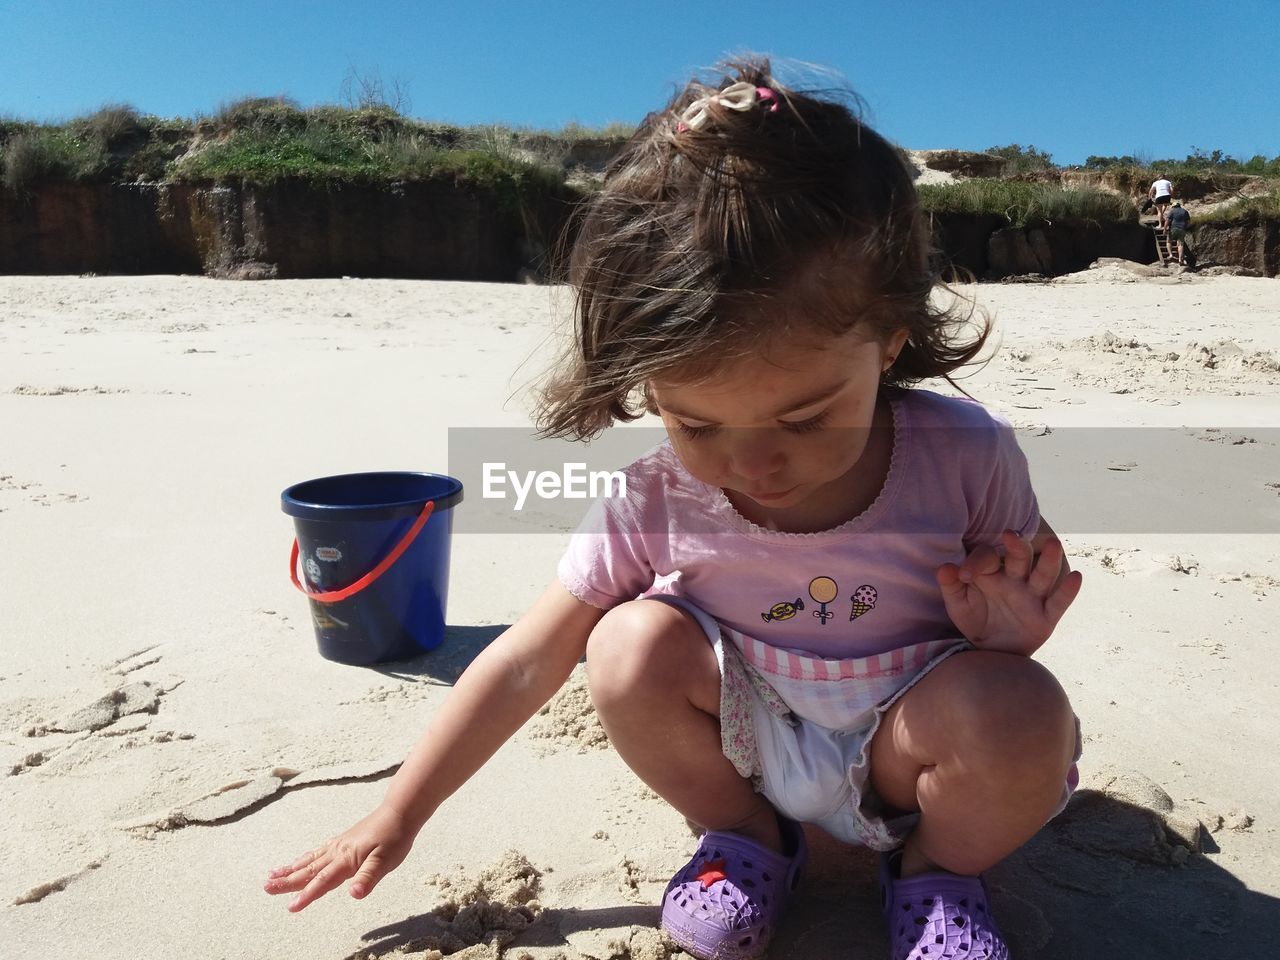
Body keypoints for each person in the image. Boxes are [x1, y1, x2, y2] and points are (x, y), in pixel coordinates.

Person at [263, 59, 1084, 960]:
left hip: (908, 739)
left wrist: (1008, 636)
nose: (750, 462)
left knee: (1021, 710)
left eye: (804, 416)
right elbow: (528, 660)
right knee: (624, 644)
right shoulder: (656, 493)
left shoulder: (964, 454)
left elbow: (1023, 580)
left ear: (889, 339)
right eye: (692, 421)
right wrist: (400, 808)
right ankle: (745, 841)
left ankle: (933, 878)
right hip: (751, 746)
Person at [1166, 199, 1192, 265]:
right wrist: (1185, 227)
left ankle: (1171, 254)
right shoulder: (1185, 211)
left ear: (1174, 206)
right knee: (1180, 244)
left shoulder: (1172, 211)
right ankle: (1180, 259)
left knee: (1169, 241)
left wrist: (1164, 228)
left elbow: (1167, 220)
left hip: (1173, 228)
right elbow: (1189, 222)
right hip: (1182, 229)